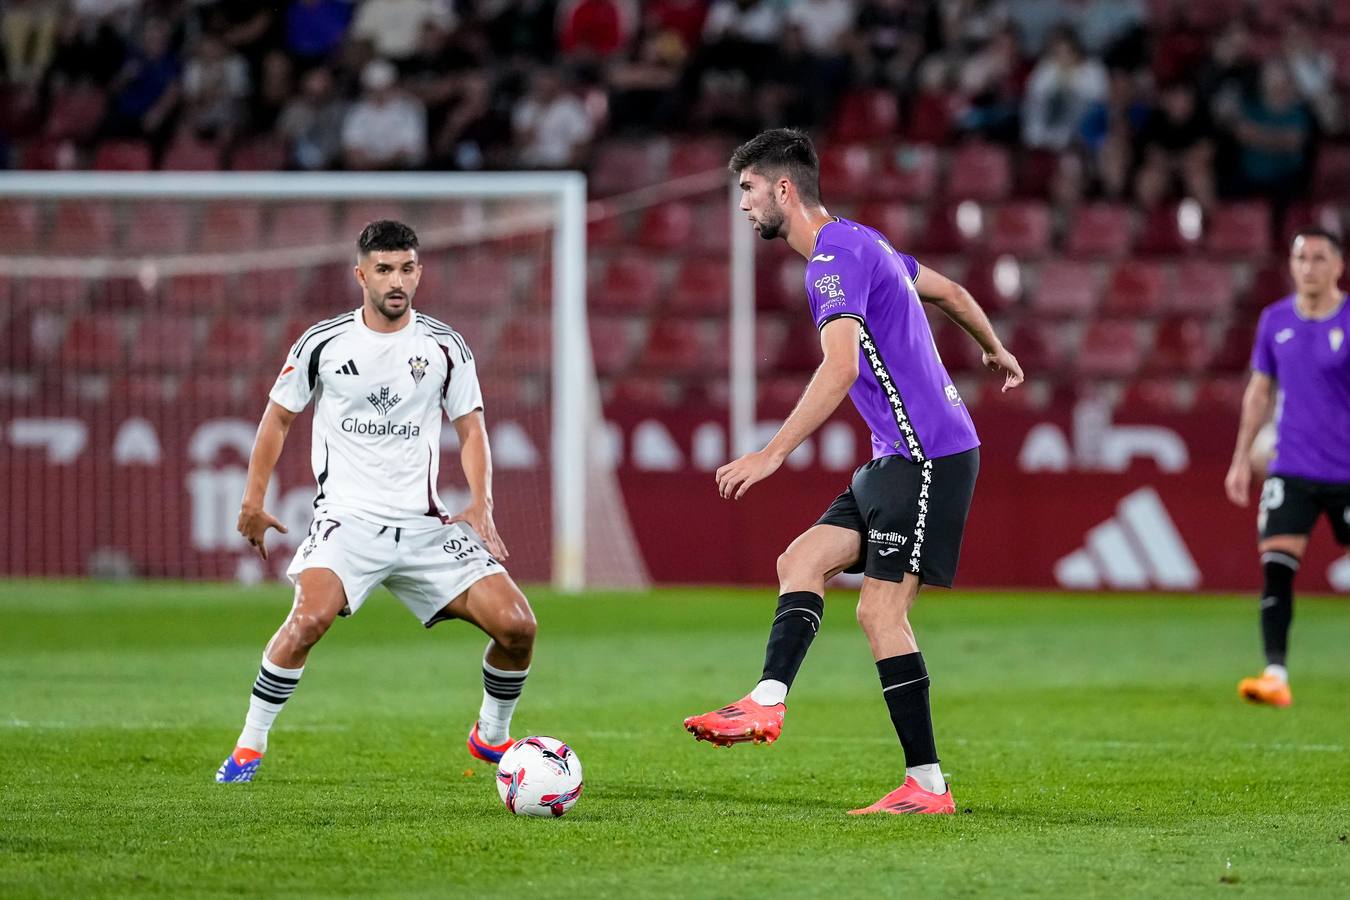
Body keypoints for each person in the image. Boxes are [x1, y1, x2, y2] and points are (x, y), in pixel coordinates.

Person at [682, 129, 1024, 815]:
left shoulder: (830, 263)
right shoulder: (867, 242)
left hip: (927, 454)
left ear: (783, 188)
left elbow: (839, 367)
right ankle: (767, 702)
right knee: (801, 560)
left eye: (747, 191)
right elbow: (951, 291)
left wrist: (769, 454)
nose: (743, 206)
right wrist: (995, 349)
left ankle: (927, 786)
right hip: (896, 455)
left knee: (879, 610)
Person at [216, 221, 537, 782]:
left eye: (407, 268)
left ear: (419, 272)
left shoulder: (444, 346)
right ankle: (249, 745)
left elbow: (471, 429)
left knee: (518, 627)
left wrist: (481, 502)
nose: (397, 281)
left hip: (424, 528)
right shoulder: (322, 343)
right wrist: (252, 499)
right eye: (384, 269)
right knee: (309, 618)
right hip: (348, 523)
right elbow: (278, 418)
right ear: (361, 274)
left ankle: (490, 737)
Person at [1224, 227, 1350, 709]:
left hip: (1345, 473)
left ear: (1337, 266)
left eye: (1319, 258)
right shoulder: (1274, 320)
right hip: (1292, 467)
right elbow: (1259, 392)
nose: (1309, 267)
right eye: (1301, 258)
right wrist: (1241, 457)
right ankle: (1275, 674)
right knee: (1276, 568)